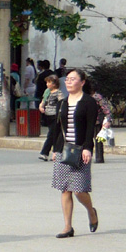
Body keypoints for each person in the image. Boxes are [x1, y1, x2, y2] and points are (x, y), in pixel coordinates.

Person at [45, 69, 99, 239]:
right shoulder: (63, 103)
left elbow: (91, 128)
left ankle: (91, 211)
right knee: (65, 189)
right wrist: (55, 150)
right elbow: (57, 129)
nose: (68, 82)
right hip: (64, 149)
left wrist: (88, 148)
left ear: (82, 82)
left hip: (80, 149)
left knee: (78, 190)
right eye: (67, 79)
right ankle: (67, 227)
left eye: (73, 79)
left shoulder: (89, 102)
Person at [37, 75, 60, 161]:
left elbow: (62, 103)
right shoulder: (47, 91)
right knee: (53, 134)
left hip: (55, 115)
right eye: (47, 82)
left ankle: (45, 153)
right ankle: (55, 153)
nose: (47, 84)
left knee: (52, 134)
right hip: (47, 115)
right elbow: (43, 101)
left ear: (54, 84)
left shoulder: (59, 93)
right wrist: (41, 106)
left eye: (49, 82)